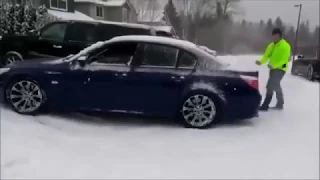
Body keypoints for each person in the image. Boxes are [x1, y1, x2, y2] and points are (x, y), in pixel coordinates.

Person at [255, 28, 291, 111]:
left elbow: (284, 60)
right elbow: (266, 55)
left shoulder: (285, 46)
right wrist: (261, 61)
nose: (274, 38)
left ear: (280, 36)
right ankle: (280, 103)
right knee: (276, 85)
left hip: (281, 69)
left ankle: (265, 105)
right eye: (273, 36)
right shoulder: (271, 45)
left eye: (276, 36)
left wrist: (274, 66)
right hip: (272, 68)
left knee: (270, 86)